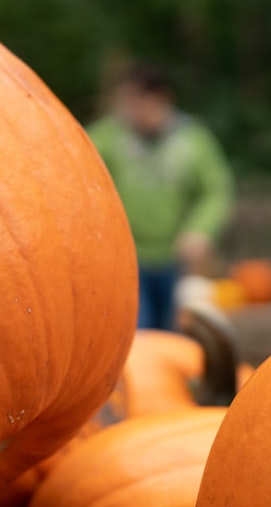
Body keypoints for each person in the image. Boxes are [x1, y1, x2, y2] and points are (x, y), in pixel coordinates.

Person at [87, 61, 234, 330]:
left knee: (174, 332)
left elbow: (215, 190)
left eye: (140, 100)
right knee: (136, 332)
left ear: (161, 98)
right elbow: (78, 177)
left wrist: (200, 230)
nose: (132, 109)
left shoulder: (193, 140)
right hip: (126, 259)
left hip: (176, 260)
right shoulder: (106, 137)